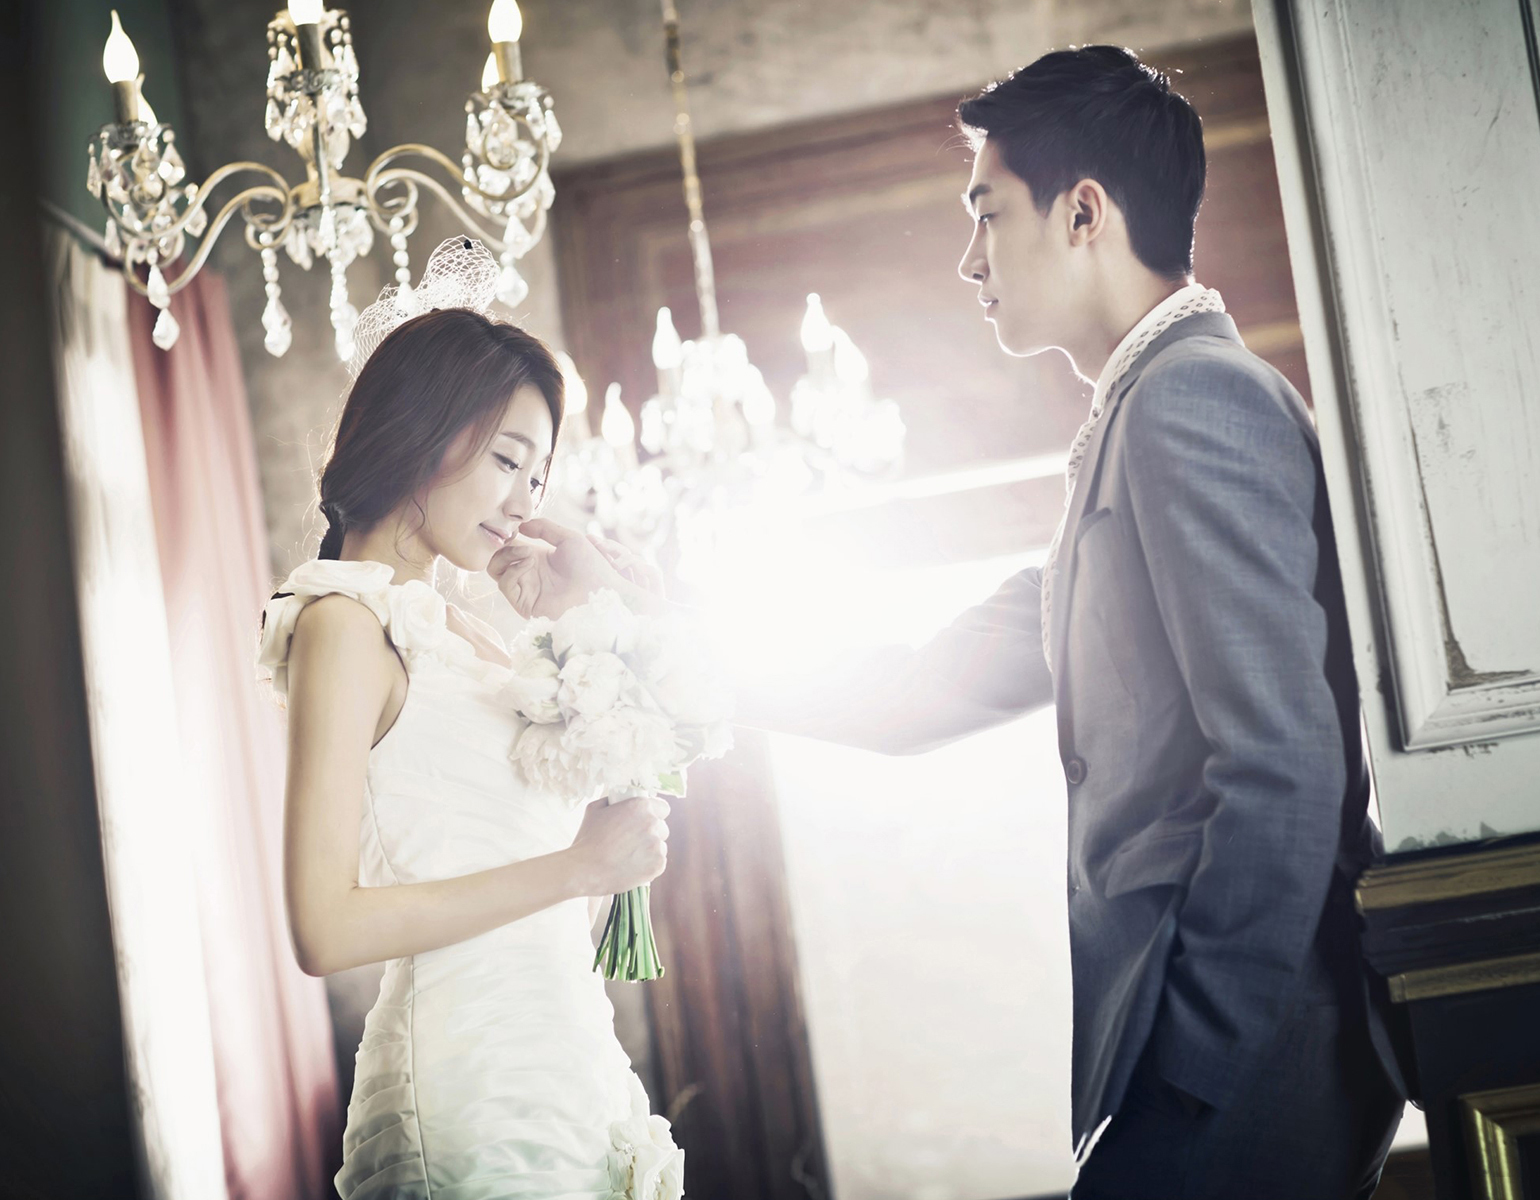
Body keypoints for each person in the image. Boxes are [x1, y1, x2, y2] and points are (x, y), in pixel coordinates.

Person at [494, 46, 1409, 1200]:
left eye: (987, 213)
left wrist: (1196, 1062)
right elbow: (921, 689)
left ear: (1083, 212)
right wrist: (648, 614)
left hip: (1248, 1059)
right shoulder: (1147, 414)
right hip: (1223, 1059)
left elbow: (1285, 764)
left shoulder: (1193, 402)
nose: (969, 259)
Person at [257, 299, 684, 1200]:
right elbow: (324, 929)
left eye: (539, 476)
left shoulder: (479, 639)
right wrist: (578, 868)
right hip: (471, 1085)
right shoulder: (345, 623)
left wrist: (593, 624)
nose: (526, 500)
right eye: (507, 460)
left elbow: (576, 870)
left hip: (565, 1064)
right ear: (424, 428)